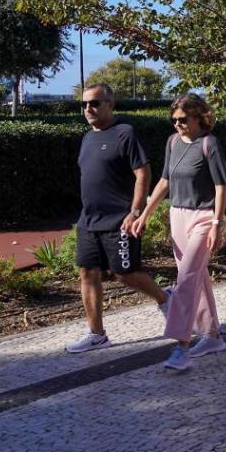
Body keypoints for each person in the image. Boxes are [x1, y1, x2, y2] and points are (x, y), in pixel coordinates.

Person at [66, 84, 170, 353]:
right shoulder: (87, 138)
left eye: (95, 103)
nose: (88, 108)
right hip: (89, 220)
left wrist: (135, 211)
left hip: (119, 219)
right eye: (84, 104)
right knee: (87, 273)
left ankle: (165, 299)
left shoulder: (125, 133)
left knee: (126, 274)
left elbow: (143, 173)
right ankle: (97, 334)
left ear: (110, 104)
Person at [133, 94, 226, 370]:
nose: (178, 125)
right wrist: (145, 214)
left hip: (203, 216)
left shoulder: (209, 143)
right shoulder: (173, 142)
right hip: (178, 214)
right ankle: (212, 335)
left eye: (183, 120)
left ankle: (181, 345)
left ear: (199, 116)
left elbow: (221, 187)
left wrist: (216, 224)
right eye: (174, 120)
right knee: (197, 276)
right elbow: (164, 180)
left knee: (186, 278)